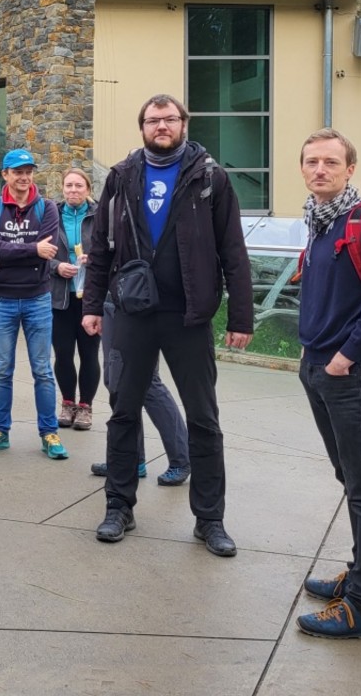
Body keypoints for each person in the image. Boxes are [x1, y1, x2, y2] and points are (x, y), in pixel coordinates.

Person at [82, 94, 253, 556]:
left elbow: (233, 250)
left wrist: (241, 315)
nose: (162, 126)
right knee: (122, 412)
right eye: (153, 120)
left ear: (184, 123)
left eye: (169, 119)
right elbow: (101, 247)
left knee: (204, 419)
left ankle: (210, 520)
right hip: (133, 313)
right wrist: (92, 305)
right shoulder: (122, 176)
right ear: (142, 127)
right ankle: (119, 507)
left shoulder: (210, 177)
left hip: (189, 316)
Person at [294, 129, 361, 640]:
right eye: (312, 161)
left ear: (350, 169)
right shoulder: (319, 221)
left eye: (331, 162)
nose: (320, 169)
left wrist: (342, 359)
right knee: (351, 480)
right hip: (318, 369)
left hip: (352, 375)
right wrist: (313, 358)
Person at [0, 149, 66, 459]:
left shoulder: (47, 208)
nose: (24, 177)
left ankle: (49, 433)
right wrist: (31, 250)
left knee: (43, 370)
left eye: (28, 171)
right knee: (2, 370)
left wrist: (5, 257)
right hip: (2, 300)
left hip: (37, 298)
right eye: (17, 171)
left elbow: (47, 252)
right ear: (5, 175)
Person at [89, 300, 191, 485]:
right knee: (115, 382)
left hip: (140, 304)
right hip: (111, 302)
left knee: (149, 384)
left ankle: (181, 459)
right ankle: (129, 459)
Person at [51, 167, 100, 432]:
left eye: (79, 186)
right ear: (62, 188)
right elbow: (40, 254)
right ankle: (68, 403)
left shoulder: (99, 214)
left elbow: (113, 249)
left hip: (90, 297)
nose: (73, 190)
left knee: (89, 353)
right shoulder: (52, 214)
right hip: (60, 296)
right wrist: (57, 266)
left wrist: (94, 260)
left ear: (88, 189)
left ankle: (85, 406)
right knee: (63, 353)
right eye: (68, 185)